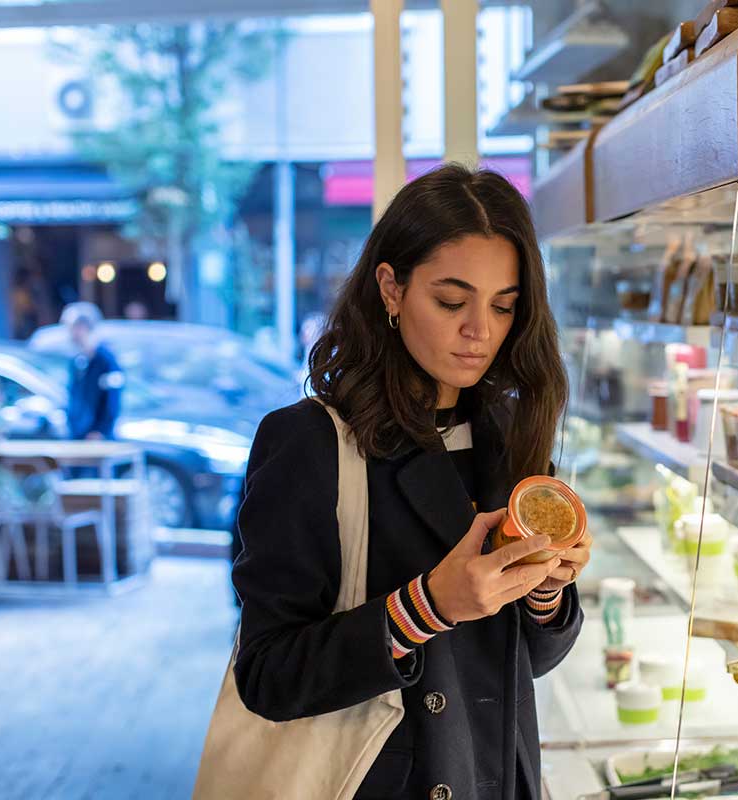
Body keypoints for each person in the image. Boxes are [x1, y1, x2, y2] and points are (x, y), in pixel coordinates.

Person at [224, 165, 591, 800]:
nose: (479, 330)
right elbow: (266, 675)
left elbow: (522, 663)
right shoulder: (311, 443)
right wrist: (429, 606)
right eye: (451, 302)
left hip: (501, 775)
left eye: (503, 306)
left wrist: (546, 591)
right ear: (391, 289)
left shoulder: (510, 433)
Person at [60, 302, 123, 441]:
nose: (69, 334)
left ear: (83, 327)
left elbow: (113, 399)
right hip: (78, 436)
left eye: (71, 328)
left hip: (97, 438)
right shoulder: (77, 360)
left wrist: (101, 430)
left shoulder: (106, 361)